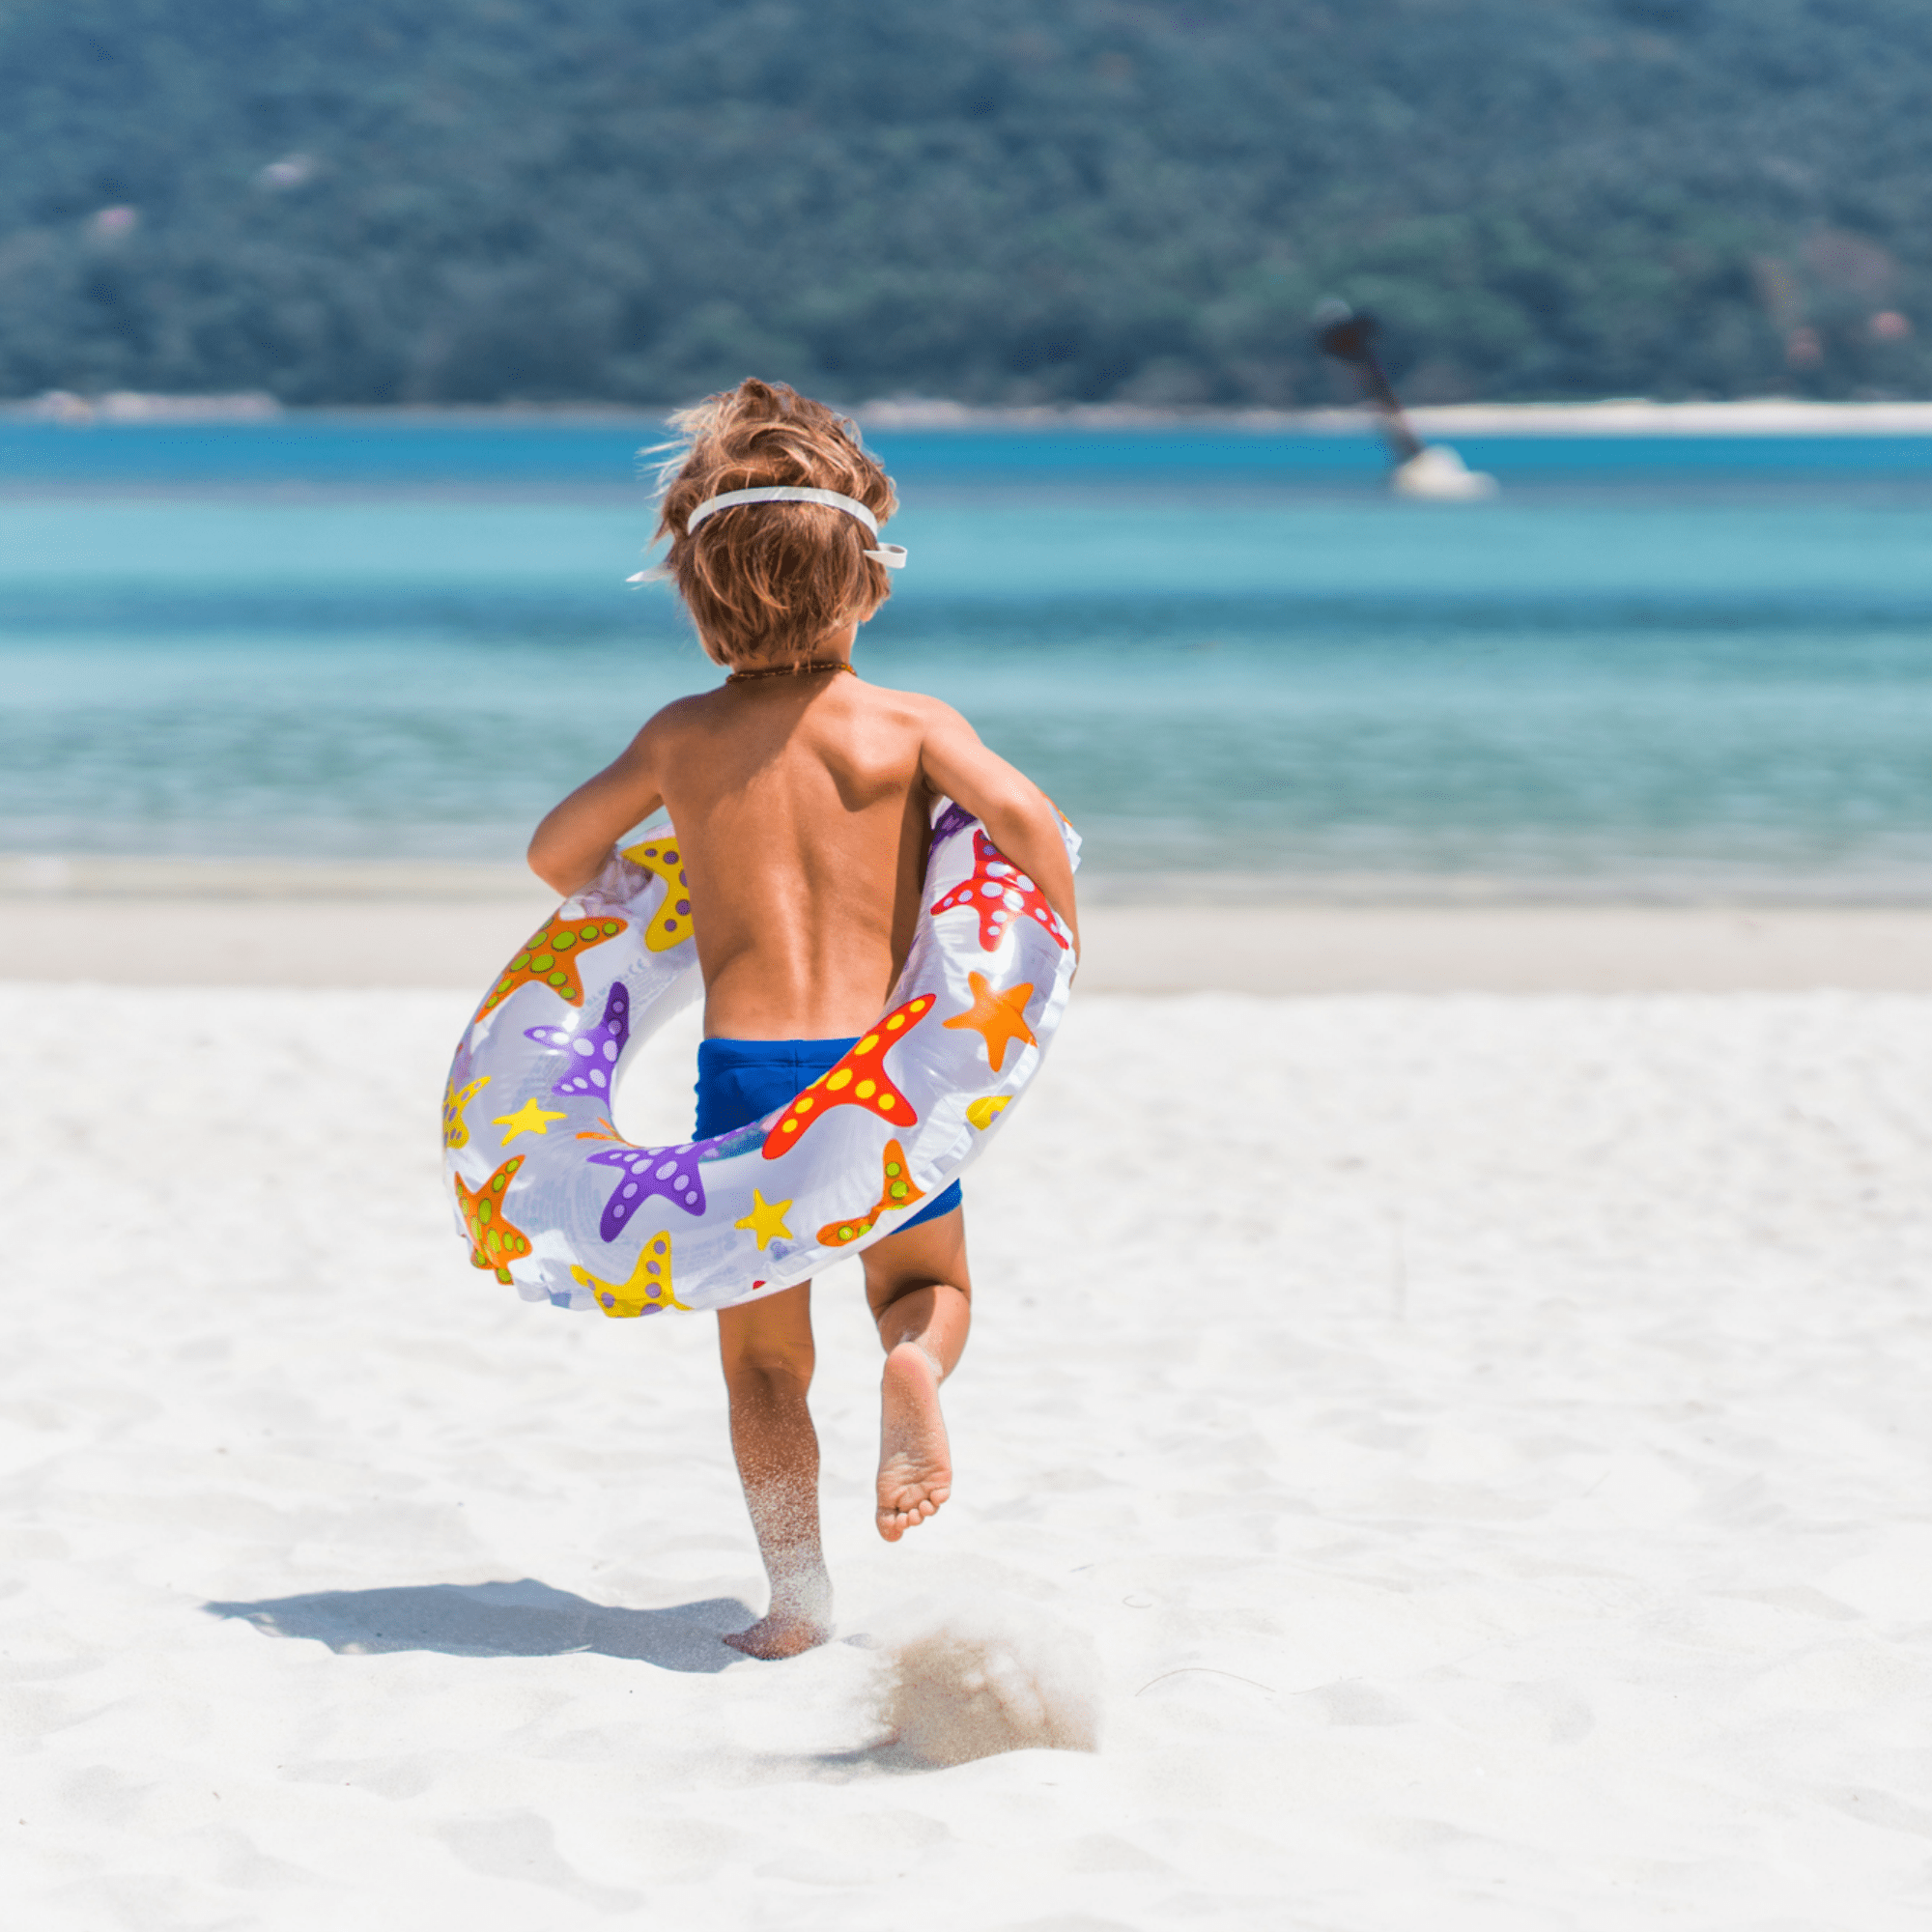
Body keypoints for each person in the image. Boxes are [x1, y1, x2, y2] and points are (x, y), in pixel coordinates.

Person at [526, 379, 1079, 1660]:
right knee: (924, 1279)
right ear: (869, 584)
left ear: (698, 598)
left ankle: (796, 1600)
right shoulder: (908, 725)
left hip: (746, 1071)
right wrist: (1040, 946)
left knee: (765, 1360)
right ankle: (914, 1374)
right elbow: (1031, 827)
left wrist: (652, 886)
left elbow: (558, 855)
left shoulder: (682, 738)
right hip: (884, 1067)